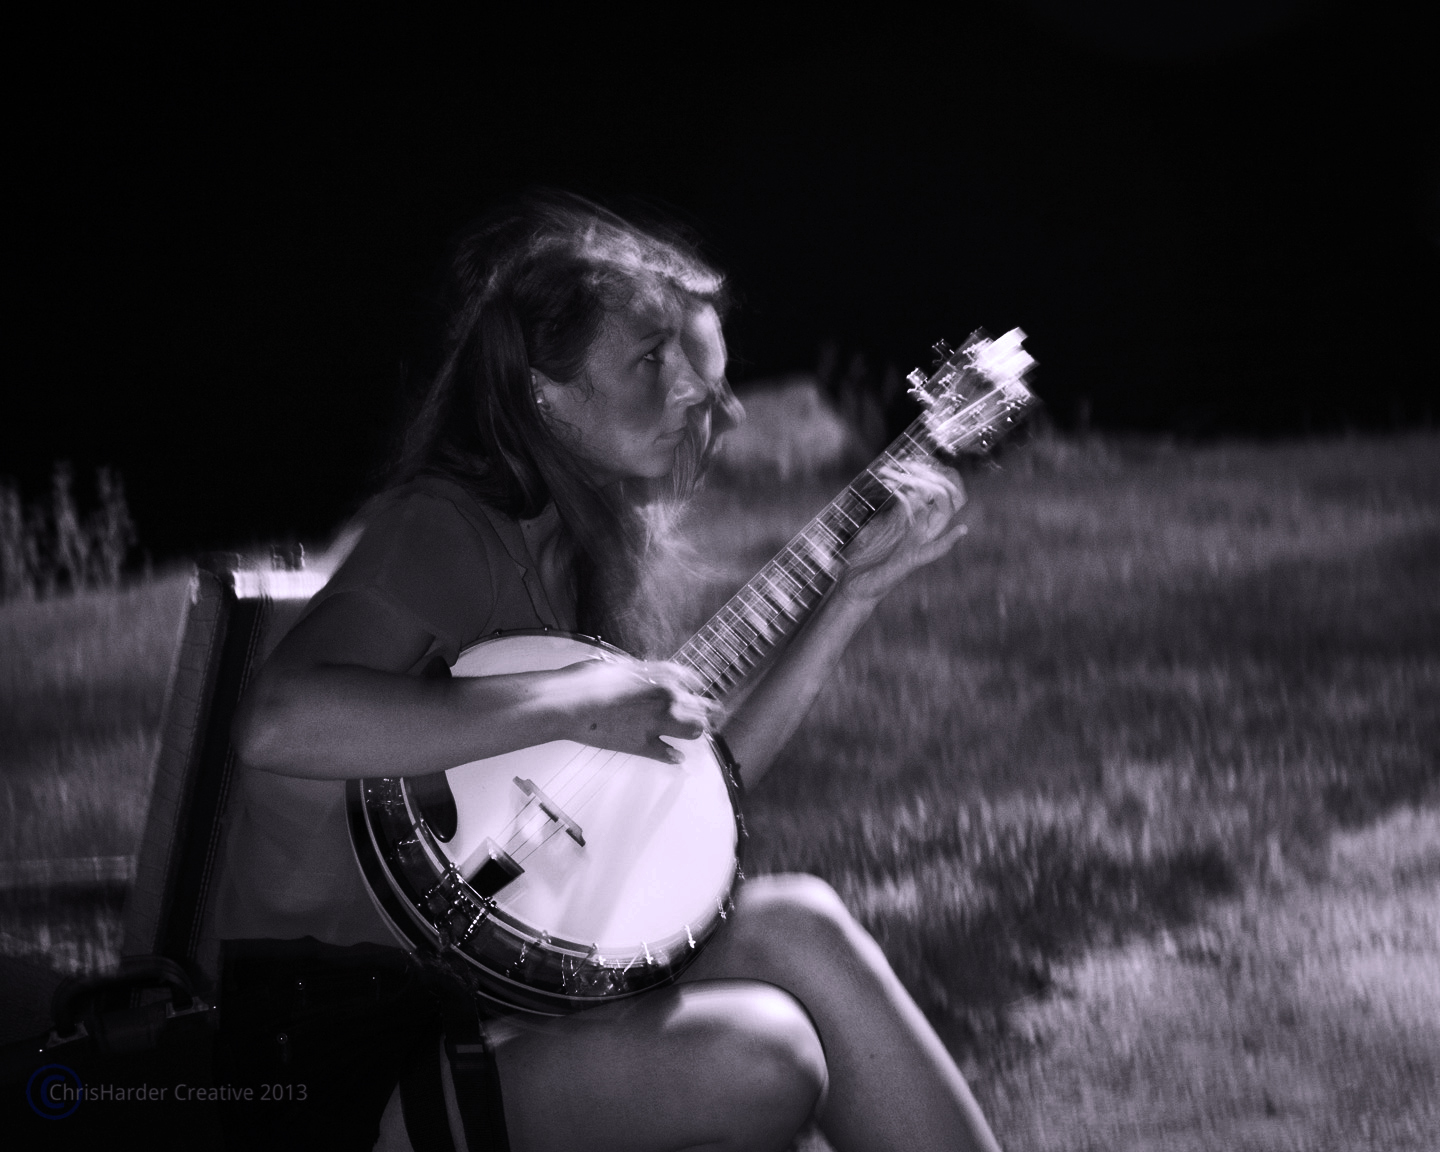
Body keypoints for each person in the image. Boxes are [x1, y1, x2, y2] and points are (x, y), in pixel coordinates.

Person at [215, 191, 1002, 1152]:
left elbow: (687, 799)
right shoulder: (444, 532)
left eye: (704, 371)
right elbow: (280, 722)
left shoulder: (571, 561)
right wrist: (584, 699)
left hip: (484, 993)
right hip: (339, 1056)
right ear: (544, 389)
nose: (704, 399)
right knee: (765, 1053)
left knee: (801, 921)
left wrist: (852, 597)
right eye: (651, 360)